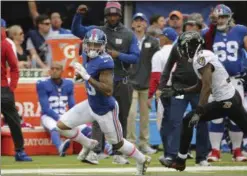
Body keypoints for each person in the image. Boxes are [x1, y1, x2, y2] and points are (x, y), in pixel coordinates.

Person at [160, 31, 247, 171]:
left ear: (190, 46)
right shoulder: (201, 56)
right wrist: (180, 91)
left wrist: (199, 109)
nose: (180, 49)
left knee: (188, 119)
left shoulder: (201, 58)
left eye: (183, 46)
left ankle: (180, 161)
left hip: (226, 101)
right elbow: (200, 85)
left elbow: (207, 86)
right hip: (231, 97)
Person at [56, 29, 150, 175]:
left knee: (118, 144)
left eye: (96, 45)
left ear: (103, 46)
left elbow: (107, 90)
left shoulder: (105, 61)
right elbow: (90, 74)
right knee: (61, 126)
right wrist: (81, 77)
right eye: (90, 44)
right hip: (91, 104)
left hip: (105, 109)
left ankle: (142, 159)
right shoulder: (86, 56)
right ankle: (89, 143)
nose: (92, 48)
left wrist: (87, 77)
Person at [71, 2, 140, 164]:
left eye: (115, 14)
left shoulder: (128, 34)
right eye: (110, 15)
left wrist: (118, 55)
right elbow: (76, 31)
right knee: (97, 116)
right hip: (99, 81)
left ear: (120, 15)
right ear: (106, 16)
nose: (112, 17)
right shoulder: (98, 31)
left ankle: (118, 153)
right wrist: (78, 15)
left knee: (121, 117)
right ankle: (96, 151)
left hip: (121, 80)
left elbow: (136, 57)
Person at [205, 4, 247, 162]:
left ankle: (237, 151)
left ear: (229, 17)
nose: (221, 20)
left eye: (223, 16)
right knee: (216, 117)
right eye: (218, 17)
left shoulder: (240, 30)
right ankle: (215, 151)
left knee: (237, 115)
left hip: (235, 80)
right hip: (216, 82)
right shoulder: (207, 33)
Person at [158, 14, 210, 167]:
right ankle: (172, 156)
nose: (192, 28)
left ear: (200, 29)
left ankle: (202, 157)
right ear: (185, 27)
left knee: (201, 120)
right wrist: (161, 87)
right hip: (179, 88)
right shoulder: (178, 45)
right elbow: (167, 67)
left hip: (199, 88)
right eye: (189, 25)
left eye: (195, 26)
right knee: (175, 121)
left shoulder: (205, 45)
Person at [36, 62, 92, 157]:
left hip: (63, 115)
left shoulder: (68, 84)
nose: (54, 71)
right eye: (52, 69)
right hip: (48, 116)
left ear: (62, 71)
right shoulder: (42, 84)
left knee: (85, 128)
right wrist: (60, 118)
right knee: (54, 127)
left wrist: (76, 117)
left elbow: (72, 105)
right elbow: (45, 108)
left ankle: (105, 147)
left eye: (57, 69)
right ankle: (60, 148)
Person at [127, 12, 159, 155]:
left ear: (146, 24)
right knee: (131, 114)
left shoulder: (153, 42)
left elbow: (156, 64)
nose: (139, 23)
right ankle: (131, 143)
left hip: (146, 84)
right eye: (136, 20)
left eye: (141, 20)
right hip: (131, 83)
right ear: (132, 24)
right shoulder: (128, 40)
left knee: (145, 117)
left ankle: (144, 143)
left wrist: (154, 86)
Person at [1, 28, 32, 162]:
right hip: (3, 88)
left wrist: (11, 87)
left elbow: (14, 67)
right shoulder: (5, 43)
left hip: (3, 88)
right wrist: (11, 87)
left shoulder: (5, 44)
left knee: (13, 120)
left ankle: (20, 151)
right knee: (13, 120)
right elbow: (14, 67)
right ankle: (20, 151)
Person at [148, 27, 177, 133]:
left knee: (163, 120)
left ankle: (168, 148)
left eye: (161, 36)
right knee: (176, 120)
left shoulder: (159, 54)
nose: (159, 38)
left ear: (167, 38)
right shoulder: (180, 52)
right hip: (178, 90)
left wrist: (150, 95)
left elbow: (156, 77)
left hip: (163, 90)